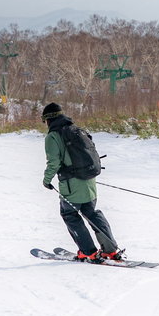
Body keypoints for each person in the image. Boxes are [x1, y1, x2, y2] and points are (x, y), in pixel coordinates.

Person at [41, 102, 122, 263]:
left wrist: (46, 180)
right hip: (90, 181)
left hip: (71, 185)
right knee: (92, 213)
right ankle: (111, 250)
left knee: (70, 215)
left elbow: (54, 163)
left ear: (48, 120)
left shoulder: (53, 137)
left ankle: (88, 252)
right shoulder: (76, 130)